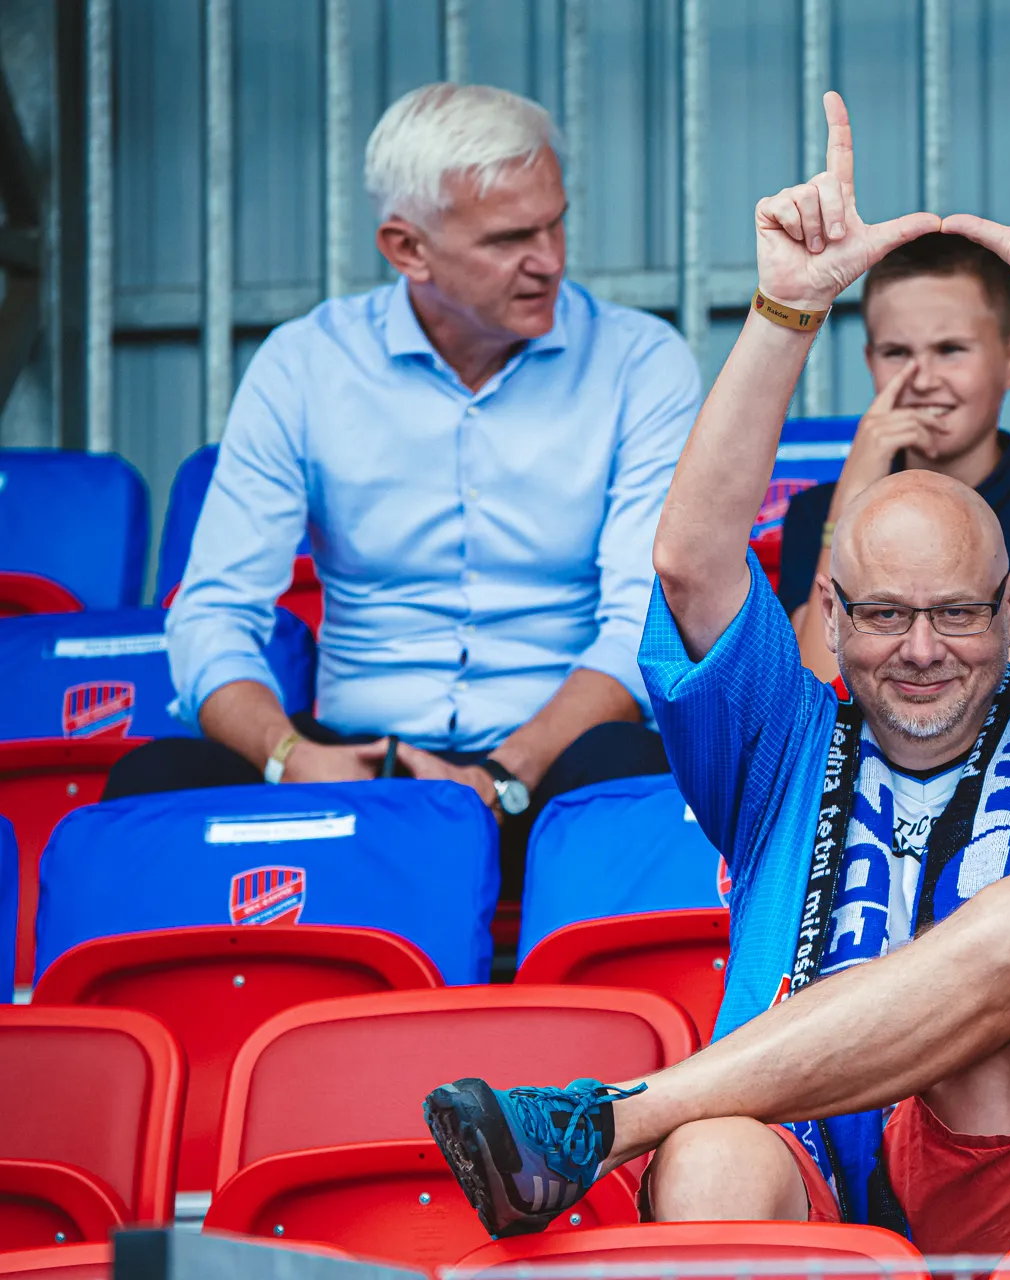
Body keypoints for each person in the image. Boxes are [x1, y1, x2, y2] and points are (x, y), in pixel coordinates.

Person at [422, 91, 1010, 1253]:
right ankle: (661, 1130)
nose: (922, 648)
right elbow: (692, 561)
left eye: (959, 613)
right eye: (886, 614)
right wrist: (785, 311)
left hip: (1005, 1177)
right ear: (833, 615)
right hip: (799, 1164)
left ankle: (611, 1120)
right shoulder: (782, 742)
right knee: (710, 1157)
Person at [111, 84, 698, 895]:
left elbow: (644, 621)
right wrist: (291, 757)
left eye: (556, 223)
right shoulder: (305, 365)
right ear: (406, 248)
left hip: (556, 760)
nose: (551, 260)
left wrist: (506, 773)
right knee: (155, 785)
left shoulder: (641, 362)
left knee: (637, 777)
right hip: (350, 758)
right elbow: (212, 614)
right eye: (510, 238)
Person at [780, 233, 1010, 686]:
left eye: (950, 350)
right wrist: (852, 497)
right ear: (870, 361)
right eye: (897, 353)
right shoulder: (816, 514)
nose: (923, 380)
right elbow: (819, 690)